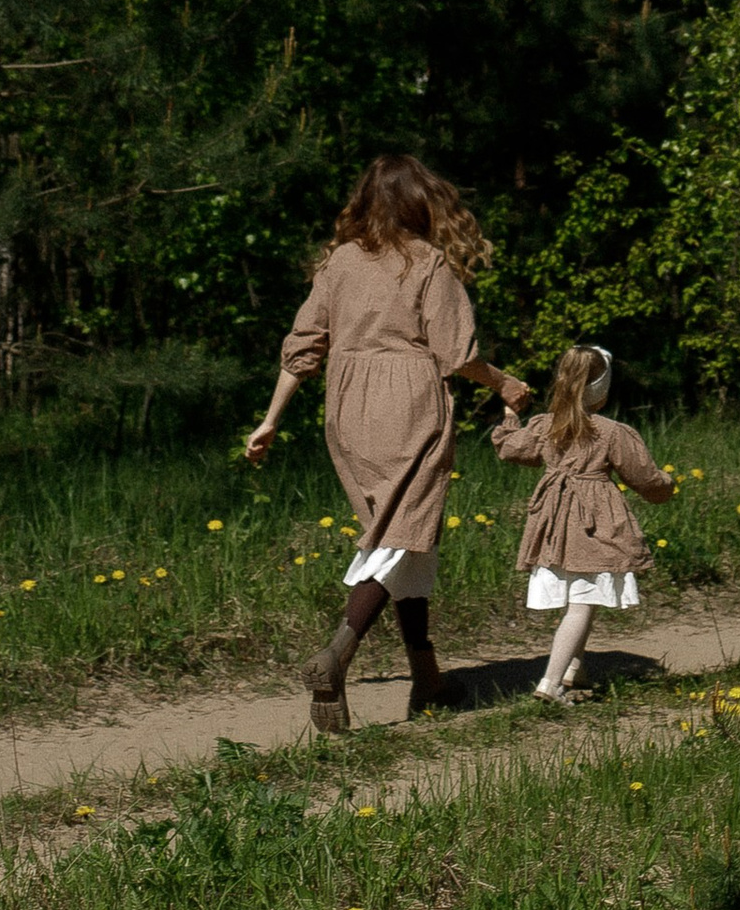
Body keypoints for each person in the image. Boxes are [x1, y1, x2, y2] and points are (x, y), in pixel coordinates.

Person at [244, 153, 528, 732]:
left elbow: (303, 344)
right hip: (409, 403)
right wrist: (506, 383)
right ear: (419, 202)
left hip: (347, 409)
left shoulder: (341, 262)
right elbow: (458, 353)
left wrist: (271, 418)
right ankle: (337, 654)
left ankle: (427, 679)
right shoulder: (428, 262)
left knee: (407, 537)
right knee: (400, 534)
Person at [491, 343, 674, 705]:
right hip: (594, 524)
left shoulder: (545, 425)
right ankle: (551, 683)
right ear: (601, 390)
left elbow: (512, 448)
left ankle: (574, 669)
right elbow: (643, 477)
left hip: (553, 521)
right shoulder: (610, 432)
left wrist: (510, 416)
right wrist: (665, 484)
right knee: (582, 603)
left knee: (579, 594)